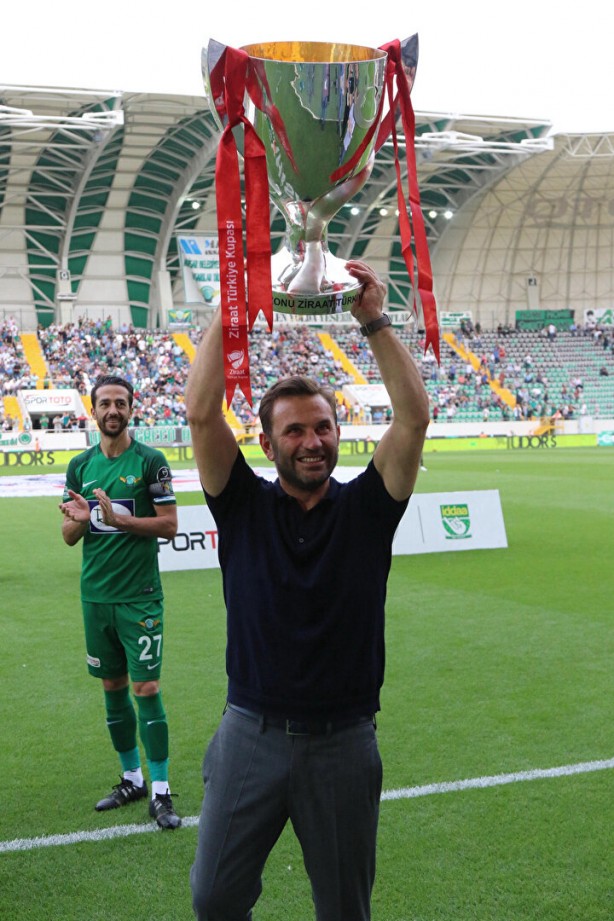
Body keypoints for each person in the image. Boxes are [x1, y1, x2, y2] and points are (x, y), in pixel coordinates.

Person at [186, 260, 430, 919]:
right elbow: (201, 411)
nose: (311, 440)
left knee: (345, 908)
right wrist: (229, 307)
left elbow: (412, 420)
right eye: (293, 430)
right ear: (267, 444)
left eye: (322, 426)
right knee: (213, 898)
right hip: (250, 732)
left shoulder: (368, 508)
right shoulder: (240, 505)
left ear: (338, 433)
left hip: (343, 743)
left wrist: (373, 319)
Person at [59, 374, 181, 830]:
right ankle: (131, 778)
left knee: (145, 688)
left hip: (140, 597)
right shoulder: (79, 466)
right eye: (105, 403)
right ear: (93, 411)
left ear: (133, 408)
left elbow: (169, 525)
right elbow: (70, 536)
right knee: (112, 689)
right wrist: (83, 519)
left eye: (121, 403)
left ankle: (162, 790)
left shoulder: (151, 462)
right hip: (96, 597)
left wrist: (119, 519)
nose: (113, 410)